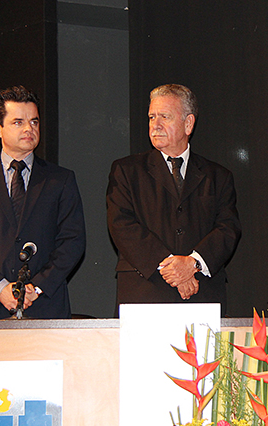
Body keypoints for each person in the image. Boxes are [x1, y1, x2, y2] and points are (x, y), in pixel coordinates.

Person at [0, 86, 86, 320]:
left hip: (44, 307)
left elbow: (72, 241)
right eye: (18, 122)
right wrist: (0, 288)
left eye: (34, 122)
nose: (28, 129)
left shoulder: (61, 180)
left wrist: (37, 287)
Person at [106, 84, 241, 315]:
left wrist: (192, 264)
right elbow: (121, 225)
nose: (155, 125)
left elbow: (228, 228)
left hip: (201, 293)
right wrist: (173, 268)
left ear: (188, 123)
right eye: (151, 117)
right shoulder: (126, 171)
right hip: (145, 293)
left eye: (164, 117)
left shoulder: (218, 176)